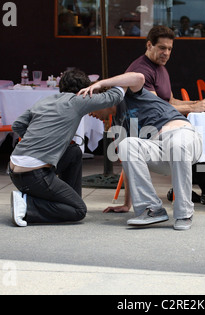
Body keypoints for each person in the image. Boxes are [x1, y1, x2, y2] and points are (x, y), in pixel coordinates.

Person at [9, 69, 145, 227]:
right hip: (34, 175)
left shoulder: (44, 100)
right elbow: (115, 96)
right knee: (78, 210)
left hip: (14, 171)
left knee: (73, 151)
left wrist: (38, 143)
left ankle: (66, 198)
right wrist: (123, 82)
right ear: (85, 90)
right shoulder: (78, 100)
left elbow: (17, 125)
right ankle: (27, 206)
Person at [124, 25, 205, 208]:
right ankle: (198, 188)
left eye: (170, 49)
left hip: (163, 125)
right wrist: (194, 107)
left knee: (198, 135)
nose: (166, 53)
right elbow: (159, 108)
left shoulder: (160, 67)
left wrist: (198, 103)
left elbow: (171, 101)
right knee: (194, 136)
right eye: (162, 48)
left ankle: (195, 187)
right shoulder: (142, 71)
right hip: (148, 132)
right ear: (149, 45)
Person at [82, 83, 203, 231]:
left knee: (176, 145)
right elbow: (129, 165)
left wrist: (100, 84)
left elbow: (138, 77)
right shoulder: (118, 124)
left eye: (90, 107)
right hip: (159, 152)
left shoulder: (132, 96)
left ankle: (184, 212)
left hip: (183, 136)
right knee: (126, 145)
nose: (89, 113)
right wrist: (127, 204)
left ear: (104, 100)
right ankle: (151, 209)